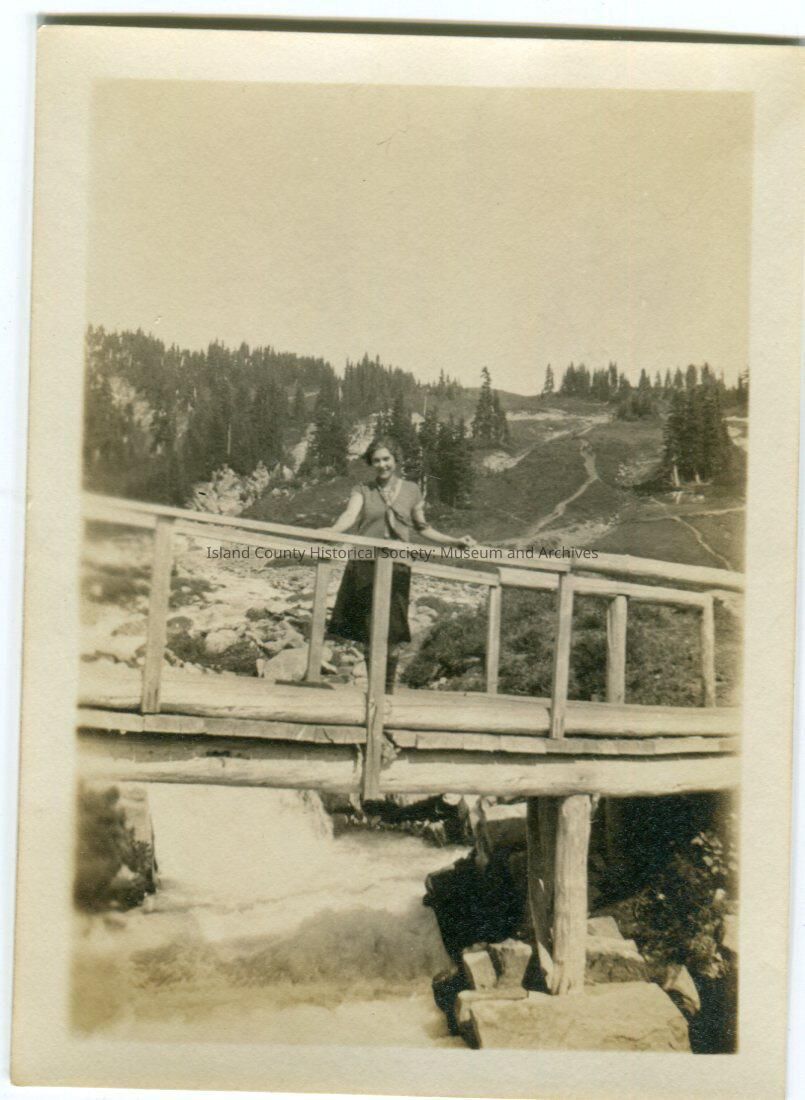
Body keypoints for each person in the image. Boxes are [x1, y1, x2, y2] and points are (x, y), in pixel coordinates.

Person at [326, 438, 475, 692]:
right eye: (376, 460)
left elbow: (422, 527)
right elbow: (349, 516)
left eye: (386, 459)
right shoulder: (362, 489)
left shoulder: (411, 490)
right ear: (371, 463)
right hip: (365, 563)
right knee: (368, 629)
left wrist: (453, 541)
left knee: (393, 629)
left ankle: (387, 691)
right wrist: (331, 531)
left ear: (395, 460)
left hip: (398, 565)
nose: (382, 465)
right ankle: (374, 691)